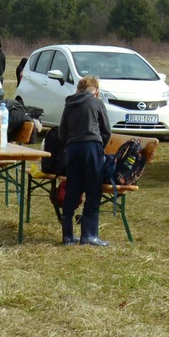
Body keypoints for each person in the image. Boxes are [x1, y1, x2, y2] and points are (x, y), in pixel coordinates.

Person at [58, 74, 112, 246]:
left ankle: (67, 236)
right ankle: (88, 234)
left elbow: (62, 133)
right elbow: (106, 130)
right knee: (93, 188)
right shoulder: (96, 103)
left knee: (73, 187)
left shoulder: (69, 104)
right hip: (91, 147)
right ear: (95, 91)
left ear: (79, 89)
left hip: (73, 149)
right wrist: (99, 148)